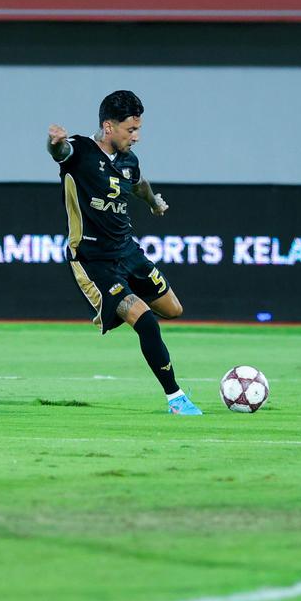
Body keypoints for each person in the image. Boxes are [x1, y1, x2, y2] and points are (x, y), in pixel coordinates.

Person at [46, 90, 201, 415]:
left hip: (128, 252)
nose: (137, 137)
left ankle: (133, 313)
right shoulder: (80, 151)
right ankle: (176, 398)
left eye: (138, 129)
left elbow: (138, 183)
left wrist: (154, 201)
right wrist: (55, 142)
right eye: (131, 130)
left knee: (173, 310)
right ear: (108, 126)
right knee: (146, 321)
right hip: (94, 260)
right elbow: (60, 151)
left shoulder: (128, 161)